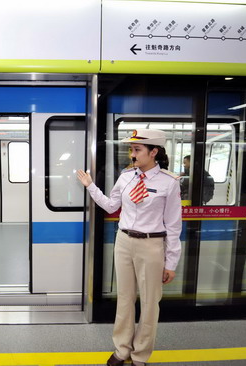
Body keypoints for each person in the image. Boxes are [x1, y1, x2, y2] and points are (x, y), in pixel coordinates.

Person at [77, 129, 182, 366]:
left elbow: (174, 225)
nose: (132, 154)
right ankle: (122, 349)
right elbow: (112, 206)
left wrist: (171, 262)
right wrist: (91, 186)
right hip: (124, 241)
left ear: (153, 152)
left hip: (152, 244)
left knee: (149, 301)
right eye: (131, 149)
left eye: (137, 150)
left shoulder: (169, 183)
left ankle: (140, 354)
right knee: (124, 298)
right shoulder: (126, 177)